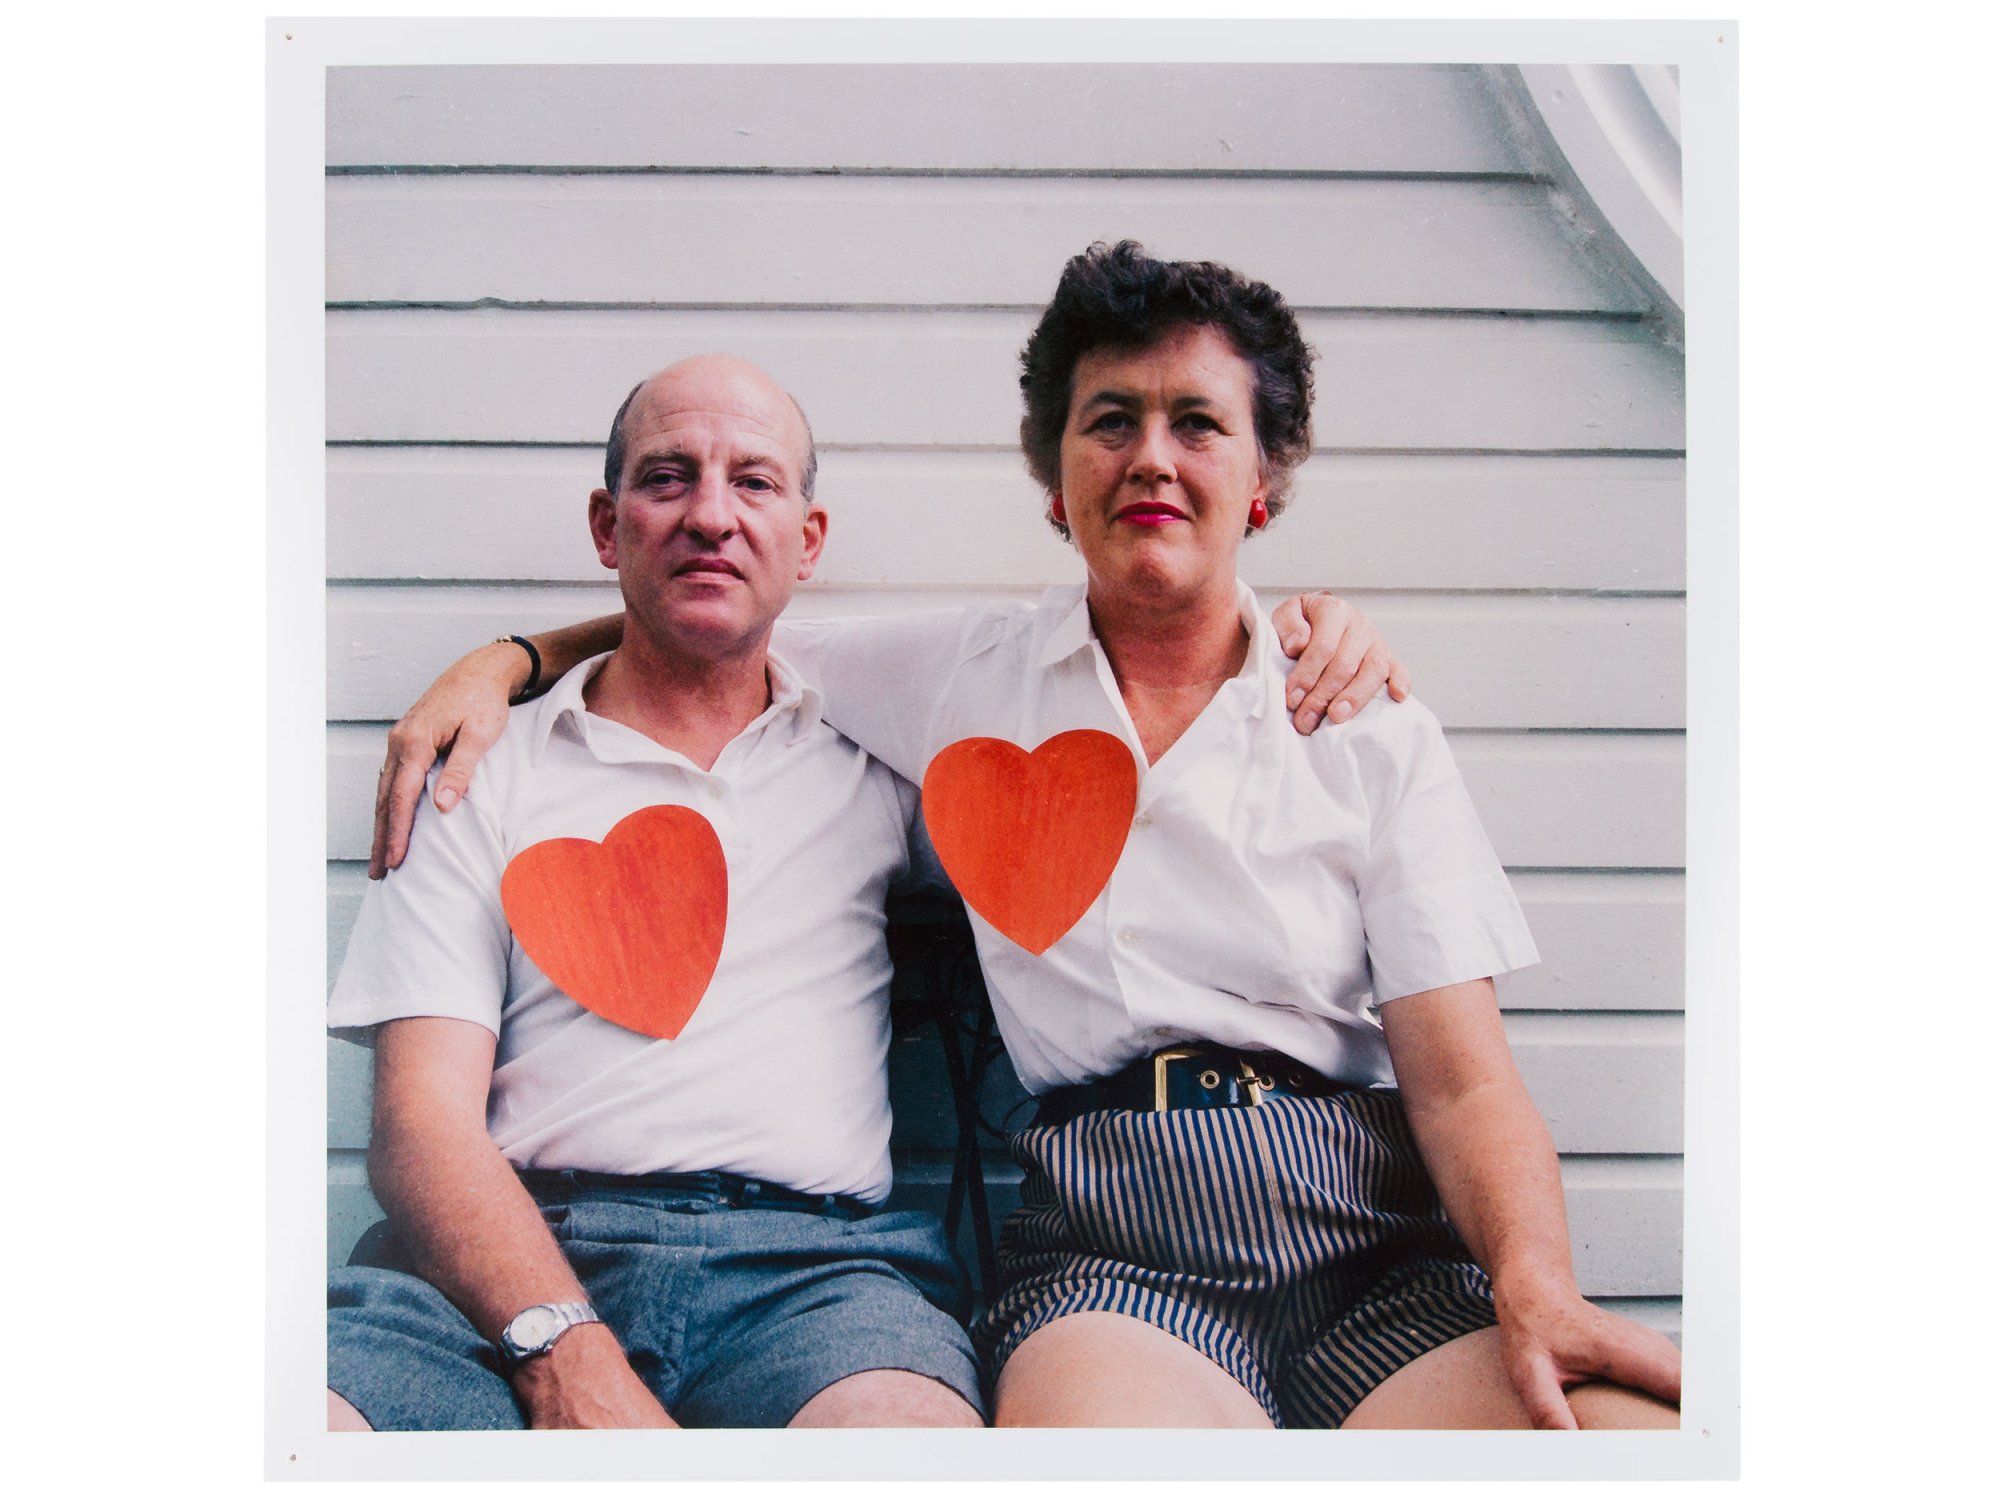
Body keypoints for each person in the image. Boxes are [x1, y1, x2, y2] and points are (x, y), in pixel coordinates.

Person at [368, 243, 1666, 1431]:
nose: (1151, 457)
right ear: (1054, 481)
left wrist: (1534, 1283)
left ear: (1262, 481)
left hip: (1370, 1234)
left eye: (1198, 423)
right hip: (1118, 1245)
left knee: (1627, 1444)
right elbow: (713, 609)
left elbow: (1464, 1082)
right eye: (1110, 421)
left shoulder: (1361, 721)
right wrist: (509, 658)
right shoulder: (960, 678)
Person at [325, 355, 990, 1430]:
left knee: (909, 1450)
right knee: (312, 1434)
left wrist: (1268, 640)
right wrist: (565, 1357)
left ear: (809, 540)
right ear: (608, 526)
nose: (711, 516)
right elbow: (419, 1129)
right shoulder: (475, 769)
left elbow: (1104, 723)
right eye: (668, 477)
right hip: (497, 1265)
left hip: (813, 1279)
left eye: (754, 483)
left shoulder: (880, 759)